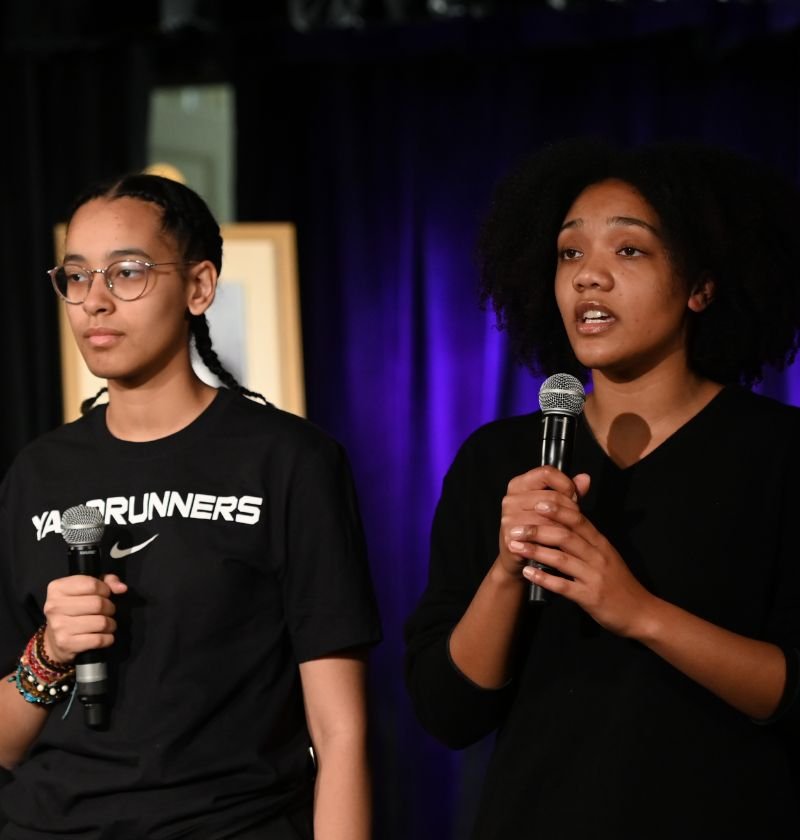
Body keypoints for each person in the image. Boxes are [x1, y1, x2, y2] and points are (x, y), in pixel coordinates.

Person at [404, 137, 800, 838]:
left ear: (701, 286)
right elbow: (448, 711)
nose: (588, 277)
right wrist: (506, 571)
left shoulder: (780, 453)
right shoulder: (499, 459)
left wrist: (637, 611)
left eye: (629, 250)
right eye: (569, 254)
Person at [0, 172, 382, 839]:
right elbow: (5, 744)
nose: (95, 302)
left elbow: (340, 732)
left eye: (127, 273)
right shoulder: (37, 473)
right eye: (77, 276)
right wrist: (51, 651)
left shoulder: (287, 460)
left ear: (200, 287)